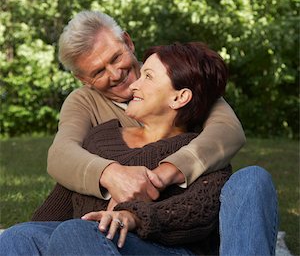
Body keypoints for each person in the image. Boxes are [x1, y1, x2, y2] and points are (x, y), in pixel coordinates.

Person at [0, 41, 233, 255]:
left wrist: (134, 216)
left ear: (179, 97)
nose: (133, 85)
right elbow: (58, 205)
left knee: (76, 232)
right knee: (19, 236)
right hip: (89, 242)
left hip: (162, 249)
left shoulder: (202, 152)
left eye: (147, 77)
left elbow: (198, 213)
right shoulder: (102, 136)